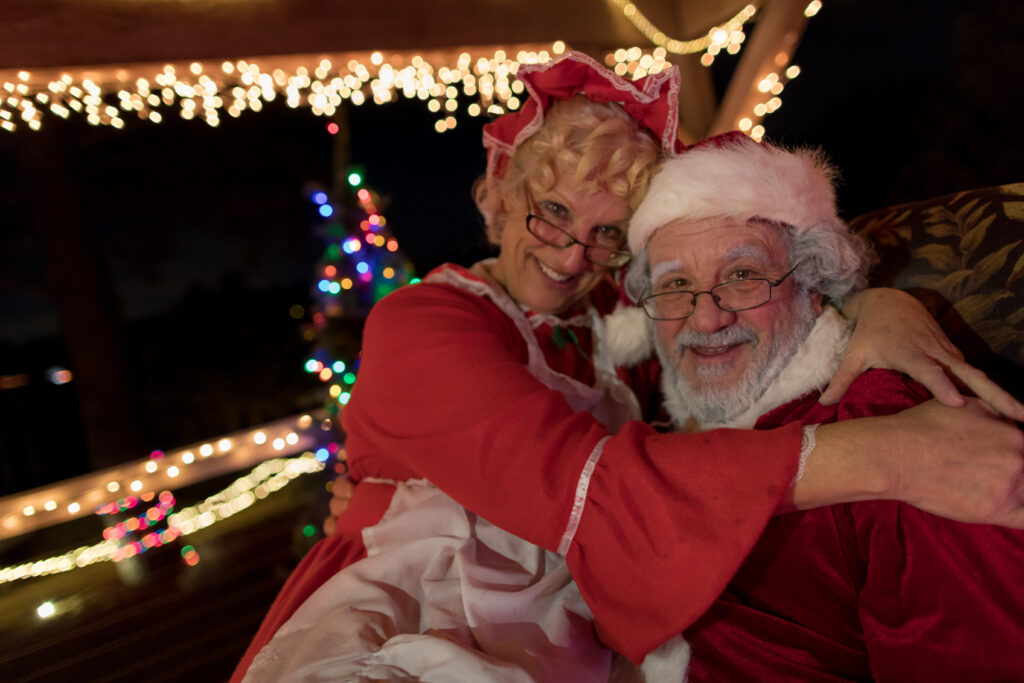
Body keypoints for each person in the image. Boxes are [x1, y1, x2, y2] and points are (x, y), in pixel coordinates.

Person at [231, 52, 1024, 680]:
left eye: (609, 235)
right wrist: (884, 457)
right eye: (554, 212)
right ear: (501, 195)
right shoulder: (425, 322)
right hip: (420, 609)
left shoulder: (616, 339)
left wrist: (883, 306)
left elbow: (742, 328)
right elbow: (589, 481)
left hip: (568, 635)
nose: (574, 254)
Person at [616, 131, 1024, 680]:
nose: (705, 319)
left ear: (812, 285)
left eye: (741, 276)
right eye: (675, 285)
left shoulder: (898, 428)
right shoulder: (649, 412)